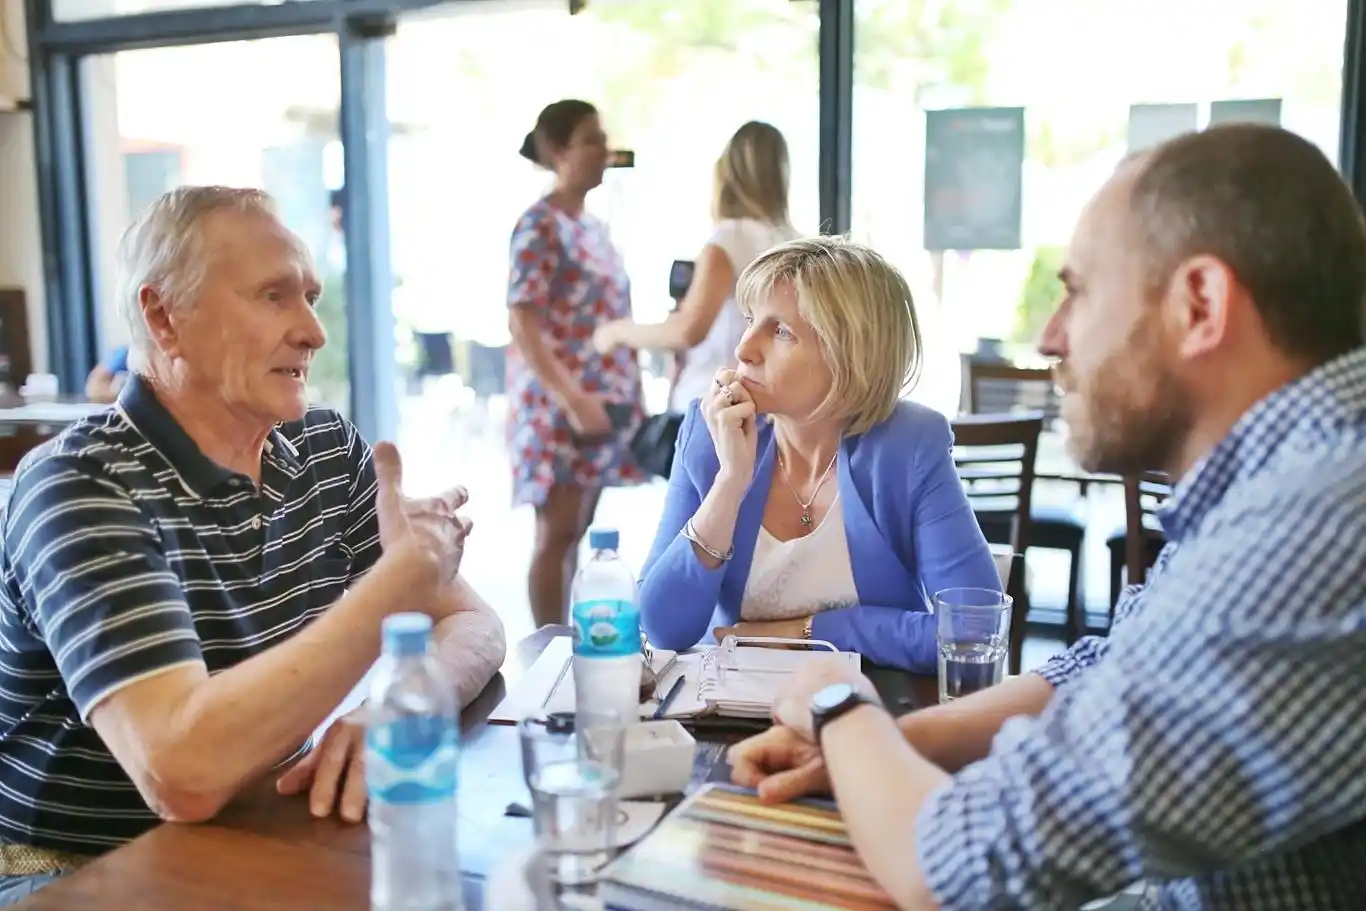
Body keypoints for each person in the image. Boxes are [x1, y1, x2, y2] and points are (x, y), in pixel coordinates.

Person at [727, 124, 1366, 910]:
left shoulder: (1319, 528)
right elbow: (1111, 662)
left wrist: (835, 702)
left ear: (1200, 305)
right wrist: (885, 741)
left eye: (1080, 289)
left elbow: (964, 863)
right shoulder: (1283, 482)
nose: (1050, 335)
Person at [0, 186, 507, 906]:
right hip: (72, 870)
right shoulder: (80, 483)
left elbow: (475, 625)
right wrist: (398, 586)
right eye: (274, 296)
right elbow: (182, 771)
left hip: (256, 831)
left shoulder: (325, 446)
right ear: (162, 317)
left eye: (309, 295)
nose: (313, 330)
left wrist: (397, 706)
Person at [637, 236, 999, 673]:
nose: (744, 348)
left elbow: (973, 632)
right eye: (751, 320)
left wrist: (808, 632)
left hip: (869, 712)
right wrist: (730, 482)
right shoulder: (711, 429)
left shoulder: (910, 445)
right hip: (731, 711)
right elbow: (661, 627)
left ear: (850, 355)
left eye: (781, 331)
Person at [506, 99, 645, 629]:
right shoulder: (540, 224)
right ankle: (548, 648)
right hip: (561, 405)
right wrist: (573, 397)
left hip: (599, 403)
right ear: (557, 150)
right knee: (557, 533)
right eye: (591, 139)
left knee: (577, 530)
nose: (603, 151)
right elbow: (524, 320)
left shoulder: (593, 225)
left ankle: (564, 643)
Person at [592, 121, 800, 411]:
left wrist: (615, 333)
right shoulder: (794, 243)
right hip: (767, 403)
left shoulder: (728, 240)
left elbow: (688, 330)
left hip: (714, 401)